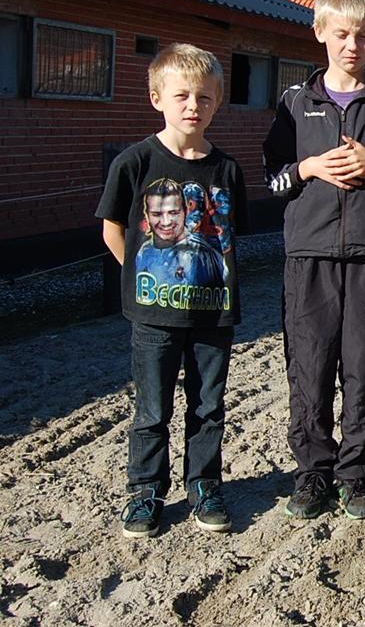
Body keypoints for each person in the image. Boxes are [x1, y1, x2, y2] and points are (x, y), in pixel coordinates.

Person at [262, 0, 365, 521]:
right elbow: (269, 178)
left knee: (364, 369)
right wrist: (308, 168)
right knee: (311, 367)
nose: (353, 45)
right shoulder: (296, 103)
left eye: (364, 36)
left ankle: (357, 473)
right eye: (342, 34)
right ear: (320, 31)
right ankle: (313, 472)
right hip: (309, 259)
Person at [96, 43, 249, 538]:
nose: (192, 106)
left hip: (212, 315)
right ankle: (145, 491)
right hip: (153, 318)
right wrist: (140, 279)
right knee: (151, 408)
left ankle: (204, 485)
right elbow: (113, 229)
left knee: (208, 407)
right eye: (181, 95)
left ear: (217, 102)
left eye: (204, 97)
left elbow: (227, 237)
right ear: (156, 97)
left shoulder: (226, 170)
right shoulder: (134, 162)